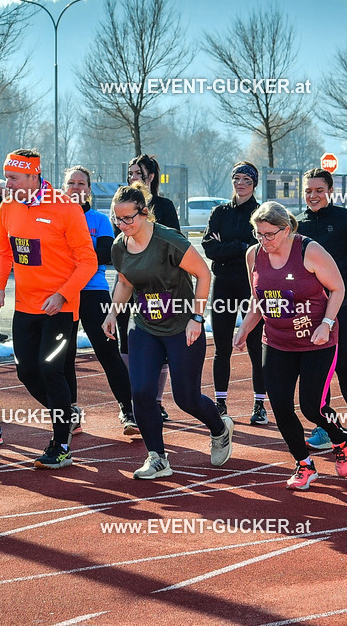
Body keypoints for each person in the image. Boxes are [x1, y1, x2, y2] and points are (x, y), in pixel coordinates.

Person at [103, 183, 234, 480]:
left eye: (128, 218)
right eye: (117, 219)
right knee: (141, 393)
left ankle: (219, 427)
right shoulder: (119, 246)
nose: (123, 225)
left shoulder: (168, 241)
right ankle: (158, 458)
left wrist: (197, 317)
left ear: (144, 213)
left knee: (186, 397)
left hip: (180, 325)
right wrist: (112, 312)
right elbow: (125, 283)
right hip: (145, 325)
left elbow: (203, 273)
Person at [232, 201, 347, 489]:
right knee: (281, 406)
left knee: (313, 408)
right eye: (258, 234)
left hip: (317, 341)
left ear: (286, 230)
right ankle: (303, 464)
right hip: (276, 341)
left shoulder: (308, 250)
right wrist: (244, 329)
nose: (264, 241)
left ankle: (340, 438)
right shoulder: (254, 255)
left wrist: (326, 323)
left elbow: (337, 288)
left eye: (269, 234)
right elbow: (258, 300)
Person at [0, 149, 97, 469]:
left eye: (13, 178)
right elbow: (4, 252)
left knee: (51, 370)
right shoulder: (7, 206)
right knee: (26, 371)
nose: (7, 183)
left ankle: (60, 443)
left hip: (60, 308)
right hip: (25, 305)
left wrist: (63, 295)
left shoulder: (66, 207)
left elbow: (88, 261)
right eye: (7, 176)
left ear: (33, 176)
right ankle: (65, 413)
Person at [296, 168, 347, 450]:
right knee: (316, 368)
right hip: (310, 308)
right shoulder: (297, 224)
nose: (313, 196)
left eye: (318, 190)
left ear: (330, 191)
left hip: (346, 303)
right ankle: (325, 426)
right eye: (308, 191)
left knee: (343, 365)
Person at [62, 166, 137, 435]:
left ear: (89, 190)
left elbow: (105, 255)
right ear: (63, 188)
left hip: (93, 291)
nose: (76, 188)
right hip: (64, 293)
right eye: (71, 183)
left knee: (107, 352)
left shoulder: (99, 221)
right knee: (64, 355)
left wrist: (72, 253)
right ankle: (70, 412)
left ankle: (129, 411)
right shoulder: (55, 218)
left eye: (82, 183)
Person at [202, 161, 266, 423]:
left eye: (247, 181)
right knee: (222, 346)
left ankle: (259, 405)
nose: (241, 184)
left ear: (254, 184)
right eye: (237, 179)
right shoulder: (219, 212)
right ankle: (220, 403)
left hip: (252, 284)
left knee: (254, 345)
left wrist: (230, 246)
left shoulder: (262, 212)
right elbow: (209, 248)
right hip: (223, 283)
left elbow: (260, 248)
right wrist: (242, 246)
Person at [118, 154, 180, 421]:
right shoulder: (121, 204)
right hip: (129, 281)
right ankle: (130, 404)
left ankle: (155, 401)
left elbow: (176, 244)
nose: (133, 177)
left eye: (138, 172)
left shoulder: (164, 206)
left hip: (158, 287)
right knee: (125, 339)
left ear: (151, 176)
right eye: (130, 172)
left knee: (158, 341)